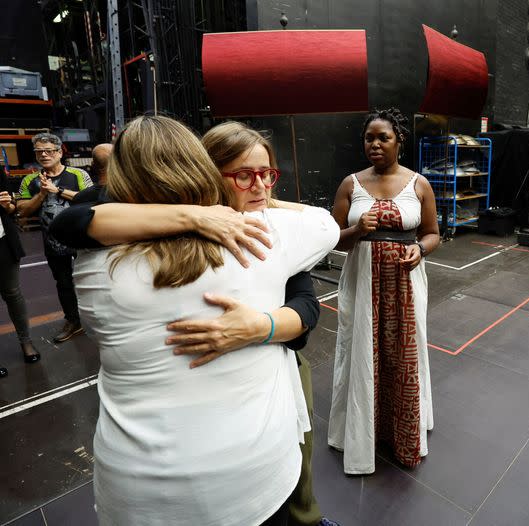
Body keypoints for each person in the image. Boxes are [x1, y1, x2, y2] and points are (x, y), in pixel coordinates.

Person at [51, 121, 339, 526]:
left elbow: (307, 306)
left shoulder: (91, 264)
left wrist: (261, 326)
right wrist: (198, 215)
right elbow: (325, 224)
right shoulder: (271, 237)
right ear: (207, 171)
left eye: (268, 175)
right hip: (254, 464)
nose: (260, 187)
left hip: (138, 482)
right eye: (244, 175)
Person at [328, 108, 440, 474]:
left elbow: (433, 233)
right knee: (362, 352)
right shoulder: (351, 184)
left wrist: (420, 249)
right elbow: (332, 241)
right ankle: (362, 433)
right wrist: (357, 229)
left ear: (399, 141)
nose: (374, 144)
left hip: (405, 283)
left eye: (383, 138)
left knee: (403, 353)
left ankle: (402, 431)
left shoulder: (418, 184)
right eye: (369, 138)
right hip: (363, 284)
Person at [16, 132, 93, 343]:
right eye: (38, 151)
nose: (43, 155)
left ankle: (101, 319)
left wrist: (56, 190)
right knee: (63, 284)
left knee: (92, 279)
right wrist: (41, 194)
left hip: (83, 241)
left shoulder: (77, 175)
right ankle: (73, 321)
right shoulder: (30, 180)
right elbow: (22, 211)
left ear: (59, 152)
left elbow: (92, 201)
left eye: (48, 150)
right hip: (54, 245)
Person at [1, 164, 40, 376]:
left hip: (3, 243)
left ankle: (26, 342)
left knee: (13, 294)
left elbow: (12, 207)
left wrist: (8, 206)